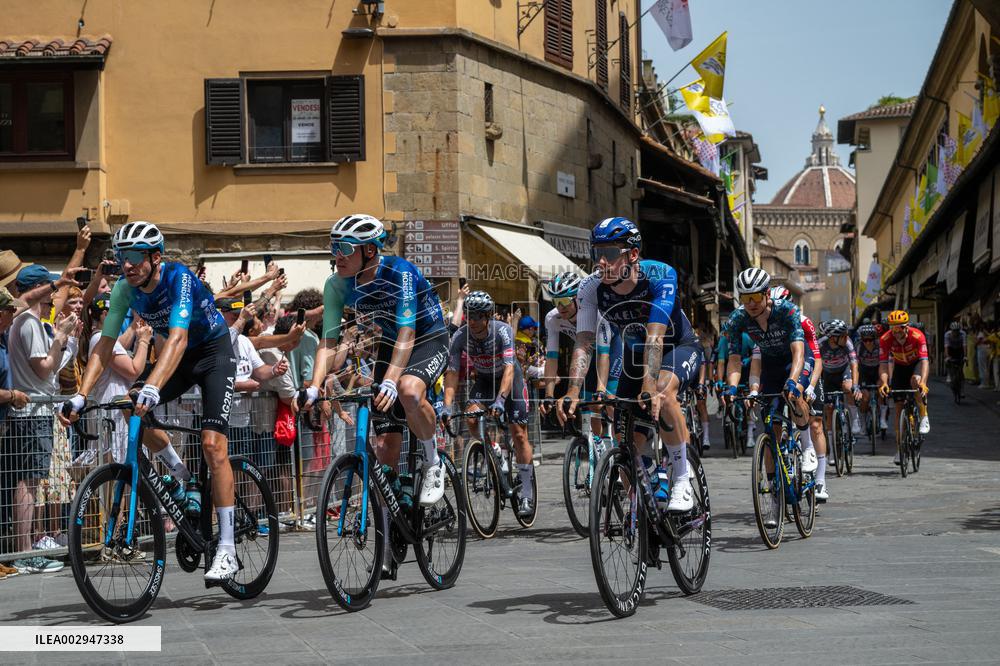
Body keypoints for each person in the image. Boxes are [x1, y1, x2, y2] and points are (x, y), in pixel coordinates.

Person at [61, 221, 241, 581]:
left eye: (133, 257)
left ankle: (227, 548)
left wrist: (154, 386)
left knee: (212, 445)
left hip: (211, 354)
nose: (125, 264)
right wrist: (80, 395)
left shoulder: (179, 279)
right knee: (130, 406)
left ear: (155, 257)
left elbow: (176, 338)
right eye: (120, 257)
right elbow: (104, 345)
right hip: (179, 357)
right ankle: (180, 474)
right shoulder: (126, 291)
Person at [303, 214, 450, 535]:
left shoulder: (400, 272)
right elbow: (328, 342)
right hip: (388, 343)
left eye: (344, 248)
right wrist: (313, 388)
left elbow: (408, 333)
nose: (336, 255)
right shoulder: (336, 285)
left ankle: (432, 462)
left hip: (427, 337)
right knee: (384, 445)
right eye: (333, 247)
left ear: (369, 251)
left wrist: (389, 380)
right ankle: (390, 522)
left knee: (409, 390)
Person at [558, 217, 702, 513]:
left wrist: (649, 387)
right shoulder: (590, 289)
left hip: (677, 346)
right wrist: (572, 390)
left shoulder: (660, 275)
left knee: (662, 390)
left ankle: (682, 481)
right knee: (626, 438)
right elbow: (584, 342)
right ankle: (652, 486)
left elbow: (655, 337)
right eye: (595, 252)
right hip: (635, 356)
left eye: (609, 254)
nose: (600, 261)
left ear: (632, 254)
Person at [723, 269, 818, 508]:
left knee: (794, 395)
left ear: (767, 294)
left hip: (795, 360)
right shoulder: (737, 319)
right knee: (770, 427)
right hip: (771, 365)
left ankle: (807, 447)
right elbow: (734, 359)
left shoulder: (787, 310)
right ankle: (776, 493)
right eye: (745, 298)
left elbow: (798, 351)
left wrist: (793, 382)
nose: (751, 304)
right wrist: (732, 388)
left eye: (755, 297)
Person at [5, 264, 78, 573]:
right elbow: (44, 368)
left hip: (34, 410)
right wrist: (60, 336)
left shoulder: (25, 321)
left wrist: (62, 339)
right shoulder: (29, 323)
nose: (52, 301)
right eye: (49, 293)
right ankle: (23, 552)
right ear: (39, 291)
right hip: (31, 412)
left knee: (31, 481)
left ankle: (24, 549)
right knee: (28, 482)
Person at [443, 291, 536, 516]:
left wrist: (501, 401)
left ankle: (527, 492)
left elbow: (510, 369)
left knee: (519, 433)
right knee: (471, 417)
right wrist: (446, 406)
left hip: (509, 382)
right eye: (468, 315)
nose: (471, 321)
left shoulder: (502, 331)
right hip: (485, 380)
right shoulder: (460, 336)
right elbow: (452, 373)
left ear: (488, 316)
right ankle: (492, 449)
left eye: (477, 316)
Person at [538, 271, 620, 472]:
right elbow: (552, 357)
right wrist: (548, 395)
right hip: (585, 355)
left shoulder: (595, 313)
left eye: (565, 300)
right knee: (591, 409)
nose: (560, 307)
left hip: (611, 349)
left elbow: (603, 353)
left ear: (578, 298)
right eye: (556, 301)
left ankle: (621, 452)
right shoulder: (553, 318)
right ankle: (600, 450)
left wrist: (601, 390)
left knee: (608, 401)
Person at [878, 310, 931, 457]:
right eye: (892, 328)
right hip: (900, 367)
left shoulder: (917, 336)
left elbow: (925, 361)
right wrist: (884, 382)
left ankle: (923, 414)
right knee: (898, 407)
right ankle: (900, 449)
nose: (895, 332)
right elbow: (883, 364)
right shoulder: (885, 339)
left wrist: (924, 383)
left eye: (899, 328)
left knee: (916, 381)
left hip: (916, 364)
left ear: (906, 327)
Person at [855, 324, 884, 430]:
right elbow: (855, 364)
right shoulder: (859, 346)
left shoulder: (880, 345)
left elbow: (885, 363)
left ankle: (882, 419)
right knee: (865, 397)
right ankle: (862, 421)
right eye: (865, 340)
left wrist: (885, 379)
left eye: (870, 340)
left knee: (881, 392)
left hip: (877, 369)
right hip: (864, 371)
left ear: (875, 339)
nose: (868, 343)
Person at [943, 321, 966, 398]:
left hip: (959, 350)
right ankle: (949, 374)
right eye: (954, 331)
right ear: (951, 330)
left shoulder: (963, 334)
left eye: (957, 331)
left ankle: (962, 390)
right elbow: (946, 347)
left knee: (961, 370)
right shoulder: (947, 335)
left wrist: (965, 356)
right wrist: (947, 357)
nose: (955, 333)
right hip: (951, 350)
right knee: (947, 361)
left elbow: (964, 346)